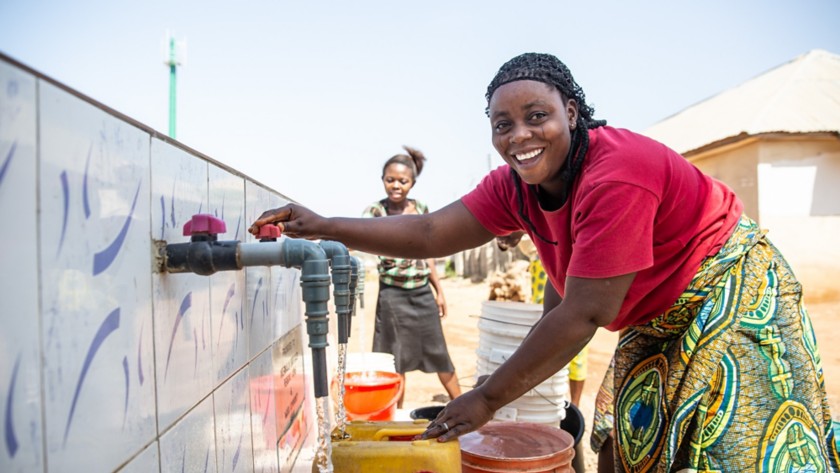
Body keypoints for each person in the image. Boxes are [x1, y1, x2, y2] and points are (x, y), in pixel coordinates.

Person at [250, 52, 839, 471]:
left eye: (538, 116)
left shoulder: (618, 173)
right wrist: (324, 225)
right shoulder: (515, 186)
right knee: (628, 440)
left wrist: (485, 399)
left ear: (574, 113)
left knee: (735, 444)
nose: (520, 136)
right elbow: (430, 231)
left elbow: (583, 313)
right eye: (502, 125)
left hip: (728, 289)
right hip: (657, 315)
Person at [362, 146, 461, 408]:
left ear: (412, 183)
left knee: (440, 354)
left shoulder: (422, 209)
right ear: (382, 180)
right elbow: (358, 235)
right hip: (391, 296)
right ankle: (396, 418)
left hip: (421, 294)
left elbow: (429, 253)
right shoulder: (375, 212)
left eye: (402, 181)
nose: (396, 186)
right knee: (396, 360)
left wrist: (438, 290)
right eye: (390, 180)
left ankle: (465, 408)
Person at [496, 231, 589, 408]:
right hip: (544, 260)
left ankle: (574, 407)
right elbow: (503, 242)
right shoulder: (520, 210)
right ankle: (543, 396)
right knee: (547, 324)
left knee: (574, 325)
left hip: (570, 256)